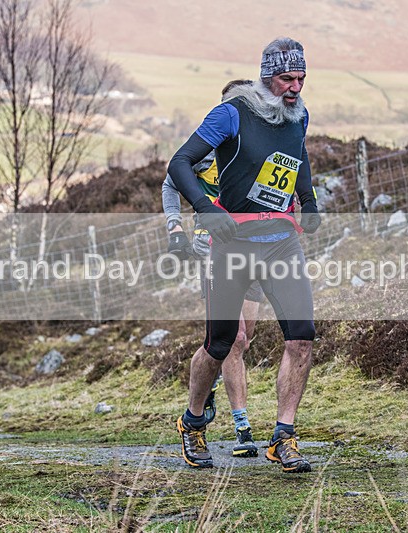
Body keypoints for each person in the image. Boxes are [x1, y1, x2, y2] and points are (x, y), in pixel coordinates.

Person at [169, 37, 321, 473]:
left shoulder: (298, 114)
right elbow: (180, 164)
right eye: (286, 79)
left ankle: (283, 437)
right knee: (220, 344)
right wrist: (207, 210)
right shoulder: (232, 113)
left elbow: (298, 154)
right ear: (266, 75)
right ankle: (194, 421)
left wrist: (307, 200)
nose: (294, 87)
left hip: (281, 243)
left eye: (301, 78)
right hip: (232, 246)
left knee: (302, 336)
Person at [163, 79, 262, 458]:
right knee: (231, 340)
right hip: (214, 251)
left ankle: (214, 385)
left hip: (253, 249)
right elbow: (171, 181)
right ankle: (232, 427)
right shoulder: (208, 148)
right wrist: (176, 228)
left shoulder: (255, 148)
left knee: (244, 338)